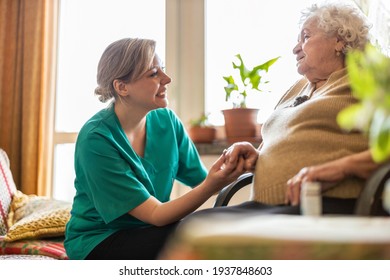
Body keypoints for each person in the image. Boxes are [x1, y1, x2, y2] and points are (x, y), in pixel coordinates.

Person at [64, 38, 258, 260]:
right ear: (122, 87)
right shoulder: (96, 139)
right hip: (100, 240)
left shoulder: (167, 121)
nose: (167, 79)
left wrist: (235, 160)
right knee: (198, 235)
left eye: (162, 70)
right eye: (153, 73)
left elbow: (203, 181)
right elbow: (156, 214)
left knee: (225, 223)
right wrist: (212, 183)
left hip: (149, 231)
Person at [186, 1, 379, 219]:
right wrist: (256, 157)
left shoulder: (370, 79)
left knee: (195, 229)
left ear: (339, 40)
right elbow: (299, 145)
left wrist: (343, 167)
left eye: (306, 37)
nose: (295, 48)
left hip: (325, 204)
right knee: (191, 226)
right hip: (270, 207)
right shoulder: (297, 89)